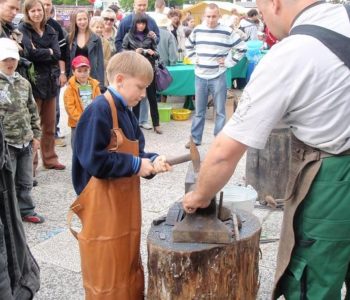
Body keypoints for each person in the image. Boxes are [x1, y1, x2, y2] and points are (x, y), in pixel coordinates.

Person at [183, 1, 350, 299]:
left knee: (314, 284)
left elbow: (225, 151)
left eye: (261, 11)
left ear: (274, 3)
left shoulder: (292, 54)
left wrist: (199, 195)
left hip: (336, 180)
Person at [71, 51, 171, 299]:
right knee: (106, 274)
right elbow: (95, 162)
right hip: (100, 209)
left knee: (127, 268)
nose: (142, 94)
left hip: (124, 207)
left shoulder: (126, 110)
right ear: (119, 80)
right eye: (140, 87)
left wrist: (152, 160)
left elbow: (137, 151)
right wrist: (137, 165)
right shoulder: (98, 111)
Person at [184, 3, 243, 148]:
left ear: (219, 16)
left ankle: (219, 140)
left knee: (220, 111)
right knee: (199, 111)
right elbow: (188, 46)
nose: (211, 19)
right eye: (208, 16)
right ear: (204, 16)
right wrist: (193, 59)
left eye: (214, 16)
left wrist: (228, 61)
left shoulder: (227, 31)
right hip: (200, 76)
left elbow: (242, 47)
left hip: (218, 75)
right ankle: (195, 139)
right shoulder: (197, 30)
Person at [0, 38, 44, 224]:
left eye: (13, 59)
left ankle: (26, 209)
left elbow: (32, 110)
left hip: (25, 140)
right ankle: (8, 215)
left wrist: (36, 135)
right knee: (7, 181)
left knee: (25, 180)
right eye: (5, 60)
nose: (10, 63)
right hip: (6, 142)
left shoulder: (24, 82)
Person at [19, 0, 66, 172]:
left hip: (50, 83)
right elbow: (29, 53)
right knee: (34, 125)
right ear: (27, 13)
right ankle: (31, 164)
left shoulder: (51, 29)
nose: (37, 13)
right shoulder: (23, 29)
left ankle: (50, 159)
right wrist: (48, 52)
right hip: (33, 83)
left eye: (39, 10)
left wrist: (42, 51)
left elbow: (58, 54)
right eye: (33, 11)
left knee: (50, 124)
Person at [122, 13, 162, 134]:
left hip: (149, 70)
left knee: (152, 98)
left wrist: (152, 52)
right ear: (135, 23)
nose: (141, 26)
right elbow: (123, 52)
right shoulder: (128, 36)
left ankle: (156, 124)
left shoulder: (150, 35)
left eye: (143, 23)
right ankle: (134, 126)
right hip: (135, 71)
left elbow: (157, 54)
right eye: (139, 23)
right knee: (136, 99)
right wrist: (135, 52)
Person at [42, 0, 68, 147]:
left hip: (54, 72)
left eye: (48, 4)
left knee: (54, 106)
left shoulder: (56, 26)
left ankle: (54, 133)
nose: (46, 7)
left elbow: (62, 53)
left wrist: (63, 73)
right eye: (43, 3)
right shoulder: (26, 26)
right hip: (35, 74)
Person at [63, 55, 100, 150]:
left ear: (89, 70)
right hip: (77, 123)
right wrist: (82, 119)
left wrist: (96, 117)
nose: (83, 74)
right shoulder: (70, 89)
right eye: (79, 71)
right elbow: (70, 107)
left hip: (92, 121)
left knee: (92, 145)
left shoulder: (95, 85)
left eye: (85, 71)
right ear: (73, 71)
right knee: (77, 147)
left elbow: (99, 102)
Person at [68, 9, 104, 91]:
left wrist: (100, 83)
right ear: (75, 21)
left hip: (91, 78)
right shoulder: (69, 38)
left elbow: (100, 62)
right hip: (74, 79)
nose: (83, 22)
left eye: (85, 19)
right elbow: (67, 60)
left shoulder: (96, 38)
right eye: (79, 19)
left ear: (88, 19)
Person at [90, 16, 112, 87]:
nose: (99, 29)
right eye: (97, 27)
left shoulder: (106, 43)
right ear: (91, 27)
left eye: (101, 27)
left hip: (101, 75)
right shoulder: (87, 40)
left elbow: (108, 61)